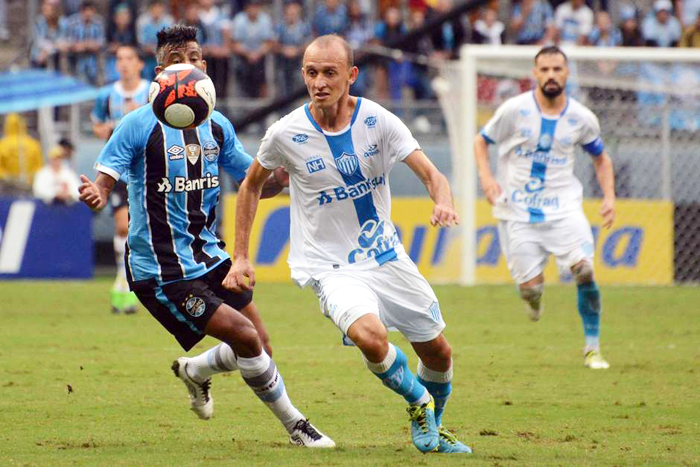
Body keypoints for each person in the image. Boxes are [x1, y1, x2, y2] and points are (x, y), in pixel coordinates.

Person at [78, 25, 335, 448]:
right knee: (246, 338)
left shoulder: (217, 126)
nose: (192, 67)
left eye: (196, 59)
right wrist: (96, 191)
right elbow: (106, 181)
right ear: (161, 74)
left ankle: (195, 371)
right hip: (161, 270)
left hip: (209, 255)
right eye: (180, 62)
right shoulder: (136, 126)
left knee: (261, 344)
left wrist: (288, 175)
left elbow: (257, 182)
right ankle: (297, 427)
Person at [225, 35, 471, 454]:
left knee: (439, 354)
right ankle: (418, 401)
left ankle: (433, 426)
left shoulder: (379, 121)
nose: (319, 82)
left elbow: (432, 175)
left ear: (351, 76)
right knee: (370, 337)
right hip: (330, 268)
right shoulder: (286, 133)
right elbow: (250, 186)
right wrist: (241, 257)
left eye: (329, 73)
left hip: (387, 256)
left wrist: (443, 201)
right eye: (311, 72)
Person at [473, 46, 615, 370]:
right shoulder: (514, 109)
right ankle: (533, 299)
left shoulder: (581, 117)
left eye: (557, 69)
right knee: (531, 289)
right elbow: (481, 141)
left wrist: (609, 196)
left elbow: (601, 158)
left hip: (564, 208)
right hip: (518, 213)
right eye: (545, 69)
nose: (551, 75)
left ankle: (592, 348)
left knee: (585, 270)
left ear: (566, 73)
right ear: (535, 74)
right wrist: (487, 180)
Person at [92, 44, 150, 315]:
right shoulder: (106, 94)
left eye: (129, 58)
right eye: (119, 59)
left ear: (140, 64)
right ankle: (125, 279)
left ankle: (126, 282)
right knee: (122, 226)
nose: (124, 64)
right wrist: (112, 127)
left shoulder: (151, 91)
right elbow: (97, 125)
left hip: (147, 168)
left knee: (140, 230)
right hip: (118, 169)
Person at [0, 113, 44, 193]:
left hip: (8, 187)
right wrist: (31, 177)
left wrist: (9, 178)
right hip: (29, 186)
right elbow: (39, 167)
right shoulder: (34, 144)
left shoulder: (2, 144)